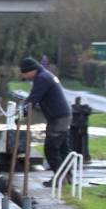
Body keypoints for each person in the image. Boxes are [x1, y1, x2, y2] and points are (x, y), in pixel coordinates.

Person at [18, 55, 71, 184]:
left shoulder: (42, 78)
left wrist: (20, 115)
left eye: (25, 73)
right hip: (63, 115)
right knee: (63, 149)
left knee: (51, 149)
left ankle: (61, 178)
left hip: (58, 118)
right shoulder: (45, 75)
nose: (25, 77)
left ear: (31, 70)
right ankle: (68, 177)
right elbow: (33, 98)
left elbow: (33, 98)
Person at [69, 96, 93, 163]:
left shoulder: (79, 108)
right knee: (74, 142)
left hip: (80, 126)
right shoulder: (80, 108)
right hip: (75, 127)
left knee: (81, 143)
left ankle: (83, 156)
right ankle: (81, 156)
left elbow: (87, 111)